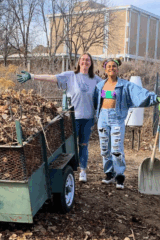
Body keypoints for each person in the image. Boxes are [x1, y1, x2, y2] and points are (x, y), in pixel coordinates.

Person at [17, 53, 102, 182]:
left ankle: (83, 171)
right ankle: (68, 172)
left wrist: (117, 92)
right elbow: (51, 78)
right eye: (83, 60)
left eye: (88, 60)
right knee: (69, 145)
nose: (85, 62)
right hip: (72, 118)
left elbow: (107, 89)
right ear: (79, 62)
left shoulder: (96, 79)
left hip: (88, 118)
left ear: (91, 63)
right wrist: (32, 76)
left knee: (83, 145)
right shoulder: (70, 76)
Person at [93, 58, 160, 189]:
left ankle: (119, 177)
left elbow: (140, 93)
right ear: (105, 69)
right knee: (105, 149)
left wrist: (156, 98)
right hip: (103, 119)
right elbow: (95, 102)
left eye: (114, 66)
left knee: (116, 150)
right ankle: (109, 174)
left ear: (117, 69)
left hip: (117, 119)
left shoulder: (125, 85)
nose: (111, 68)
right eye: (109, 66)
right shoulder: (100, 86)